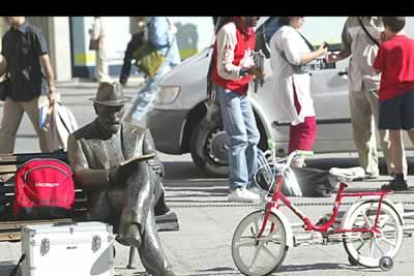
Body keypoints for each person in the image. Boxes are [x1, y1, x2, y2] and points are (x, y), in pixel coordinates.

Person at [67, 82, 176, 276]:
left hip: (146, 192)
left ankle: (132, 224)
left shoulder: (141, 134)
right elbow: (81, 174)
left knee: (144, 167)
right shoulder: (79, 139)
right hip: (108, 199)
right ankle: (159, 265)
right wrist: (112, 174)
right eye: (108, 111)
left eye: (118, 110)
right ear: (96, 108)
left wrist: (157, 167)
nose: (115, 116)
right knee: (143, 206)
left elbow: (158, 170)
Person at [326, 17, 405, 179]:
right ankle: (369, 169)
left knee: (387, 130)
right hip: (356, 82)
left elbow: (399, 43)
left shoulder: (385, 20)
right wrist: (336, 57)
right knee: (360, 131)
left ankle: (395, 171)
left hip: (379, 80)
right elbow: (347, 49)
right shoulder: (350, 21)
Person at [211, 17, 264, 202]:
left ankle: (251, 183)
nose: (257, 19)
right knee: (239, 137)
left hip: (241, 90)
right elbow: (223, 68)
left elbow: (245, 59)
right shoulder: (229, 31)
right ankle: (237, 187)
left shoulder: (249, 31)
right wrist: (246, 72)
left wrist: (256, 70)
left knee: (253, 136)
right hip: (228, 89)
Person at [269, 17, 327, 167]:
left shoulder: (284, 33)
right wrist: (319, 52)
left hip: (294, 83)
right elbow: (295, 58)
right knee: (308, 125)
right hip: (293, 84)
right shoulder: (286, 33)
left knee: (298, 125)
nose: (303, 19)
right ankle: (297, 163)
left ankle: (293, 164)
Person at [0, 17, 56, 153]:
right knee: (5, 133)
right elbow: (5, 63)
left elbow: (46, 62)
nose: (6, 17)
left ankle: (50, 166)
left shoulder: (34, 33)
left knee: (44, 134)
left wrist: (52, 89)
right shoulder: (7, 37)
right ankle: (2, 168)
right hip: (13, 94)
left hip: (35, 94)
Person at [373, 17, 414, 191]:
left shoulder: (386, 46)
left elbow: (376, 68)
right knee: (413, 132)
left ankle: (400, 177)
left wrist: (382, 42)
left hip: (390, 95)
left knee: (395, 137)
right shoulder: (412, 44)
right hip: (411, 92)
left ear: (387, 27)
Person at [124, 17, 181, 124]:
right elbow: (159, 39)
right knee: (150, 91)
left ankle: (164, 121)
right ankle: (130, 120)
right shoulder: (159, 18)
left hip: (168, 60)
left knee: (167, 92)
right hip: (163, 61)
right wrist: (171, 32)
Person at [119, 17, 147, 85]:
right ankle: (123, 78)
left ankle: (123, 79)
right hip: (137, 35)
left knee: (128, 57)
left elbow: (140, 19)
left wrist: (140, 22)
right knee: (142, 58)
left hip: (139, 35)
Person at [90, 16, 111, 83]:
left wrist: (90, 32)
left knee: (100, 64)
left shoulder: (97, 20)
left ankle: (102, 81)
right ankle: (106, 79)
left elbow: (95, 36)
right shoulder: (106, 19)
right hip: (106, 44)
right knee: (104, 63)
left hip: (100, 45)